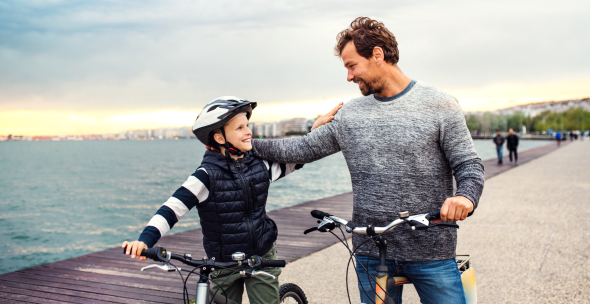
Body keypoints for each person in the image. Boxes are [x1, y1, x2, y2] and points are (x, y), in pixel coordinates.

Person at [250, 17, 485, 304]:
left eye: (352, 66)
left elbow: (469, 165)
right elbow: (302, 149)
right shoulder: (351, 114)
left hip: (431, 249)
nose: (349, 76)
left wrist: (465, 197)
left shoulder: (440, 104)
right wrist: (242, 143)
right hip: (370, 250)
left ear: (377, 55)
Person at [122, 97, 332, 304]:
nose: (248, 131)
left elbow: (295, 161)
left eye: (247, 125)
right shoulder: (205, 176)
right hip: (223, 262)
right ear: (220, 138)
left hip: (260, 255)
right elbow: (172, 209)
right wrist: (144, 241)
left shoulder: (260, 166)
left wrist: (313, 133)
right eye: (239, 128)